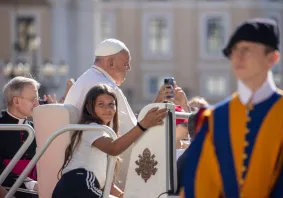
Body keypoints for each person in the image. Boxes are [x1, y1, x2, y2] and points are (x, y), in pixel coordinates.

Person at [178, 18, 283, 198]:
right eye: (235, 50)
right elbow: (200, 187)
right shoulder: (214, 118)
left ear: (272, 58)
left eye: (247, 50)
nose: (238, 57)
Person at [64, 38, 189, 189]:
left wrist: (157, 101)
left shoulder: (85, 79)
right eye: (126, 63)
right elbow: (133, 134)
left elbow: (133, 129)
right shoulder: (106, 88)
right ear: (110, 63)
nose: (128, 68)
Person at [53, 84, 167, 198]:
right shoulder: (91, 128)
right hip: (77, 185)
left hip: (74, 187)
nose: (107, 109)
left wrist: (122, 195)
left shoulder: (102, 133)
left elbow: (105, 183)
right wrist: (144, 124)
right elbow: (114, 148)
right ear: (89, 108)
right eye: (101, 104)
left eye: (111, 104)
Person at [0, 76, 56, 198]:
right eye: (33, 99)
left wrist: (53, 114)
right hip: (9, 189)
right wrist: (30, 184)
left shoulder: (37, 127)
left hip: (37, 187)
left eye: (38, 99)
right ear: (16, 101)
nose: (37, 103)